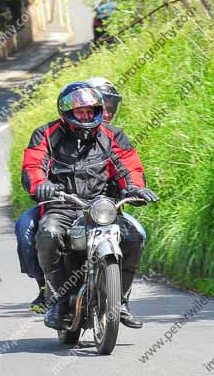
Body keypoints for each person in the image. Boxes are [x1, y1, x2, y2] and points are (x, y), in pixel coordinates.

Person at [21, 81, 158, 330]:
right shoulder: (46, 134)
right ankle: (58, 301)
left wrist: (136, 188)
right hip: (62, 205)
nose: (86, 116)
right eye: (80, 112)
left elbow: (128, 165)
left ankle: (121, 301)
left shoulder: (112, 135)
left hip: (103, 206)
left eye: (90, 111)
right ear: (67, 113)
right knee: (49, 235)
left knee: (133, 237)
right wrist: (41, 185)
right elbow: (34, 166)